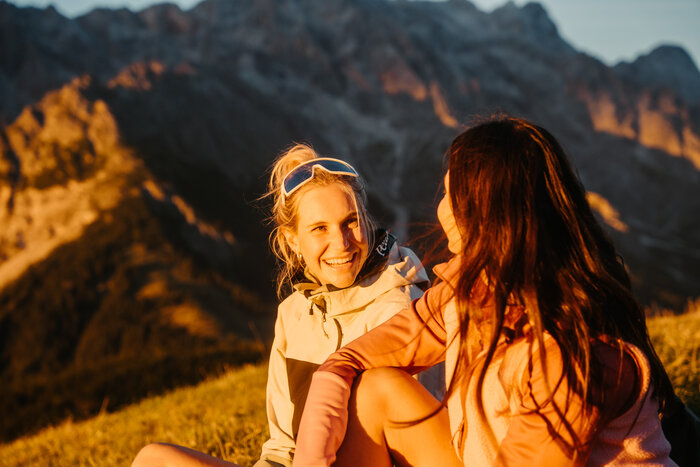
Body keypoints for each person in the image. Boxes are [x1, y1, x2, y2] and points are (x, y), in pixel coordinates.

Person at [292, 116, 678, 466]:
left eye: (448, 194)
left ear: (490, 211)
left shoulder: (566, 351)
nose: (441, 210)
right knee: (376, 389)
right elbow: (356, 358)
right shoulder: (472, 289)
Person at [131, 144, 430, 467]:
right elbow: (282, 447)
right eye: (319, 229)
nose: (342, 243)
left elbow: (414, 450)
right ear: (292, 240)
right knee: (153, 459)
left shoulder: (399, 308)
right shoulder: (293, 315)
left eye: (350, 222)